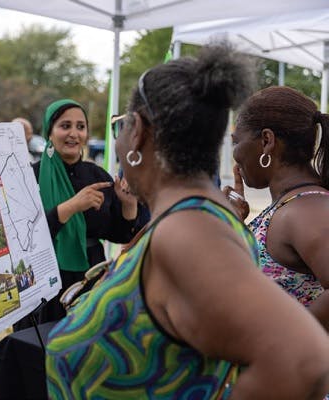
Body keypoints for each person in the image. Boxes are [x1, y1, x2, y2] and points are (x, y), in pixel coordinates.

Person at [46, 44, 329, 399]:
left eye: (121, 124)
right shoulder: (193, 219)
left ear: (140, 133)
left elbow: (304, 361)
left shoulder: (188, 229)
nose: (117, 138)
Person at [17, 98, 148, 328]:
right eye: (65, 126)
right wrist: (70, 207)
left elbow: (122, 234)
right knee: (37, 351)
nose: (74, 134)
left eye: (80, 127)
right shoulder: (30, 177)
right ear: (50, 132)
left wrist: (128, 205)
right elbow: (21, 235)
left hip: (89, 279)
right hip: (43, 280)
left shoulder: (97, 176)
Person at [223, 86, 329, 330]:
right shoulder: (291, 204)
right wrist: (235, 226)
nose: (235, 155)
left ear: (267, 141)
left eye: (236, 142)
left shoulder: (306, 209)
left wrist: (284, 342)